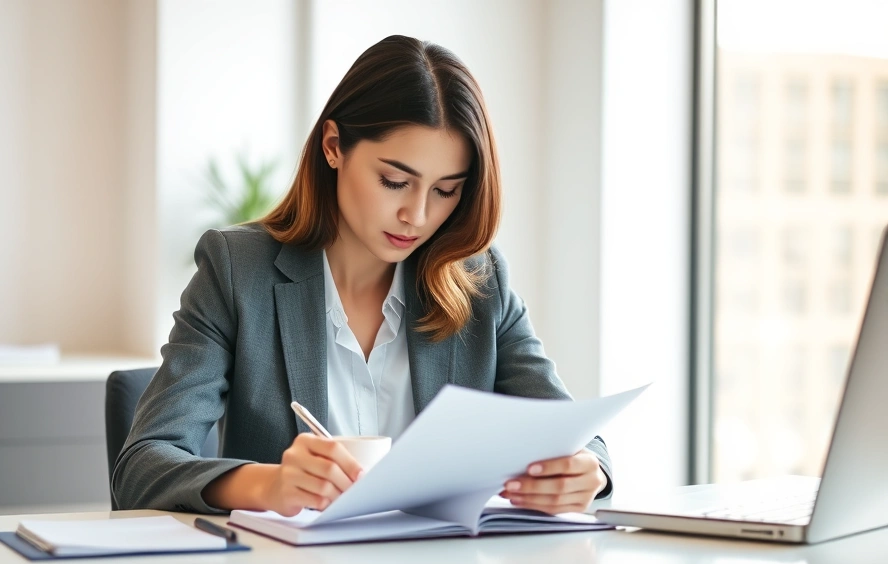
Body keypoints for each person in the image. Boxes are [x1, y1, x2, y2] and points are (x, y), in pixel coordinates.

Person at [112, 34, 612, 518]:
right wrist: (268, 485)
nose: (416, 215)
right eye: (395, 181)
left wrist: (589, 470)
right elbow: (142, 466)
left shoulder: (479, 281)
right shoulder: (236, 271)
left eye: (446, 190)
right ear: (334, 146)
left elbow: (571, 432)